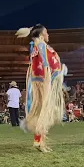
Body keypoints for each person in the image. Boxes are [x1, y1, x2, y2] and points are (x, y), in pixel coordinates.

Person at [16, 24, 68, 152]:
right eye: (46, 32)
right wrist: (48, 73)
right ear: (40, 35)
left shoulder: (35, 45)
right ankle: (40, 142)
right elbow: (44, 60)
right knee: (44, 111)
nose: (48, 35)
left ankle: (38, 141)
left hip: (42, 80)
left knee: (41, 111)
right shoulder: (40, 44)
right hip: (44, 81)